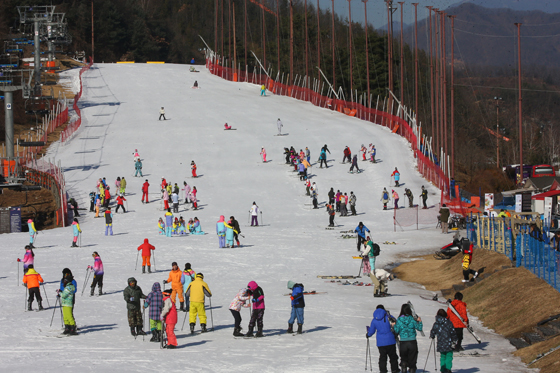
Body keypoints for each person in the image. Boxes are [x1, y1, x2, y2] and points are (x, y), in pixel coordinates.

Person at [366, 305, 400, 373]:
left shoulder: (374, 320)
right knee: (393, 356)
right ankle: (395, 369)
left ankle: (383, 370)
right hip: (391, 340)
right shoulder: (389, 317)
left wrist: (368, 334)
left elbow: (372, 331)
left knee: (383, 357)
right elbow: (396, 324)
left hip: (381, 342)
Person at [393, 303, 423, 373]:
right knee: (413, 358)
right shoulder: (412, 319)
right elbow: (419, 328)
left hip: (403, 342)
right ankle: (412, 369)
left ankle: (403, 366)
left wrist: (394, 325)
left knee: (403, 357)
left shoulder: (399, 320)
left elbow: (396, 331)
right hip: (412, 341)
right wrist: (420, 322)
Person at [430, 309, 458, 373]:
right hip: (449, 342)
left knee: (442, 356)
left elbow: (433, 331)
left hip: (441, 343)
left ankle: (443, 369)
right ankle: (448, 368)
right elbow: (453, 332)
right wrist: (455, 339)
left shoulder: (436, 323)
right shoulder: (449, 322)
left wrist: (432, 335)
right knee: (449, 356)